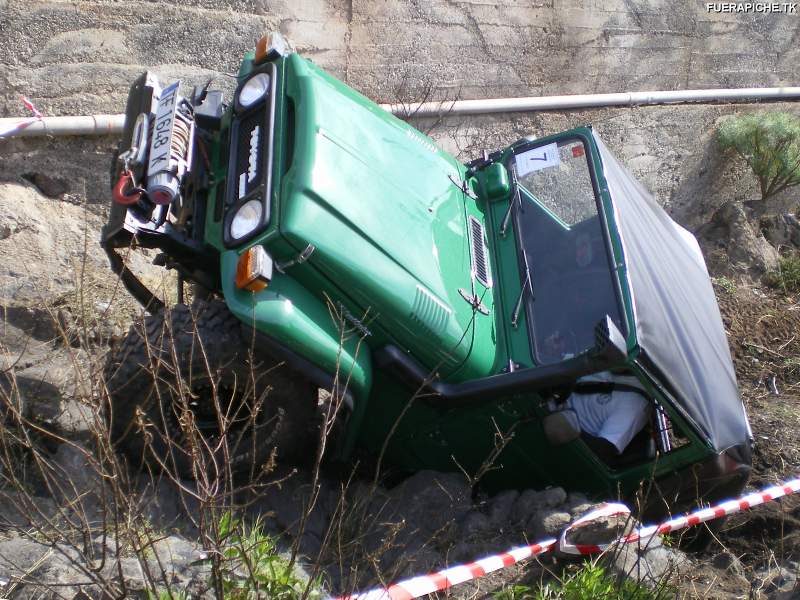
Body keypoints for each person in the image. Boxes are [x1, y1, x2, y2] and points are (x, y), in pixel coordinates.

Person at [566, 370, 652, 462]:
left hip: (568, 441)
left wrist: (569, 428)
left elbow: (603, 451)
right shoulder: (608, 361)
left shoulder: (635, 403)